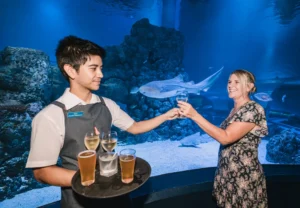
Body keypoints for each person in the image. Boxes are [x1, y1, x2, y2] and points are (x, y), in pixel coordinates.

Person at [25, 35, 179, 208]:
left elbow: (135, 127)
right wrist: (89, 179)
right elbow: (42, 172)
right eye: (93, 68)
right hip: (79, 201)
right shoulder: (50, 115)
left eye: (101, 68)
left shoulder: (107, 104)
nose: (101, 74)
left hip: (117, 196)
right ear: (70, 70)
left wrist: (166, 115)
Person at [177, 69, 268, 208]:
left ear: (249, 87)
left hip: (243, 176)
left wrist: (194, 115)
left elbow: (226, 137)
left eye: (237, 82)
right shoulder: (234, 110)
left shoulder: (254, 109)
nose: (230, 85)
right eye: (229, 81)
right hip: (226, 173)